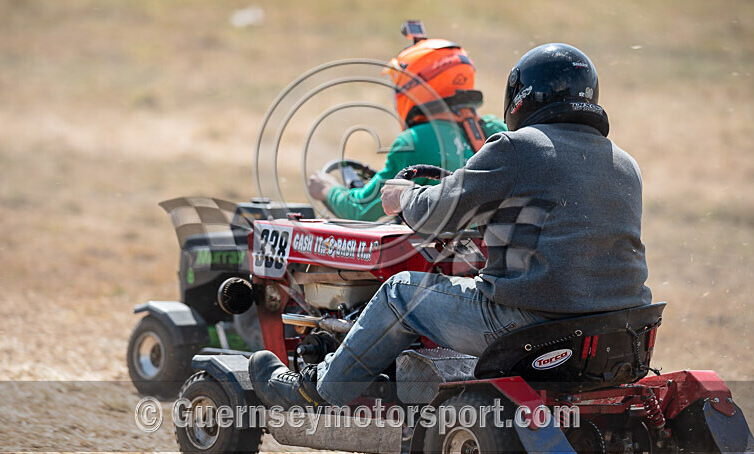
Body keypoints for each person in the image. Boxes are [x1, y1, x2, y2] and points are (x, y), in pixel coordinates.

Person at [250, 43, 652, 409]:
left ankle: (314, 391)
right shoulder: (624, 163)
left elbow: (436, 211)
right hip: (618, 327)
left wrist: (403, 197)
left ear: (523, 96)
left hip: (528, 323)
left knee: (400, 293)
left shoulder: (518, 147)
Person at [308, 24, 506, 221]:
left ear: (416, 87)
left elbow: (360, 210)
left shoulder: (416, 141)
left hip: (443, 251)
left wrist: (327, 189)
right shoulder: (497, 131)